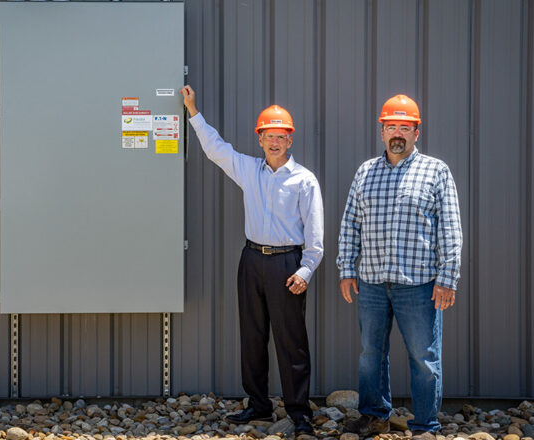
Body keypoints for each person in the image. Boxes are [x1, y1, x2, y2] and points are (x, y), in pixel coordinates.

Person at [180, 85, 324, 435]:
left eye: (281, 136)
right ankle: (258, 406)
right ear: (259, 139)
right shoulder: (248, 169)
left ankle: (299, 412)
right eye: (268, 136)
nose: (274, 142)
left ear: (290, 140)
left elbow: (316, 234)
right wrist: (192, 110)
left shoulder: (304, 181)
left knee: (292, 343)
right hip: (252, 261)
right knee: (252, 337)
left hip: (287, 265)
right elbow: (216, 149)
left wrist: (306, 270)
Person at [336, 94, 462, 436]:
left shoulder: (435, 171)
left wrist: (447, 278)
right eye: (391, 125)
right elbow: (350, 224)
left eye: (404, 127)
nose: (397, 133)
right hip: (373, 283)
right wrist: (346, 269)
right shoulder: (366, 172)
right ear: (381, 131)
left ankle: (425, 425)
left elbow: (450, 229)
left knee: (424, 358)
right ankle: (374, 414)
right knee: (370, 354)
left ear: (416, 132)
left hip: (419, 285)